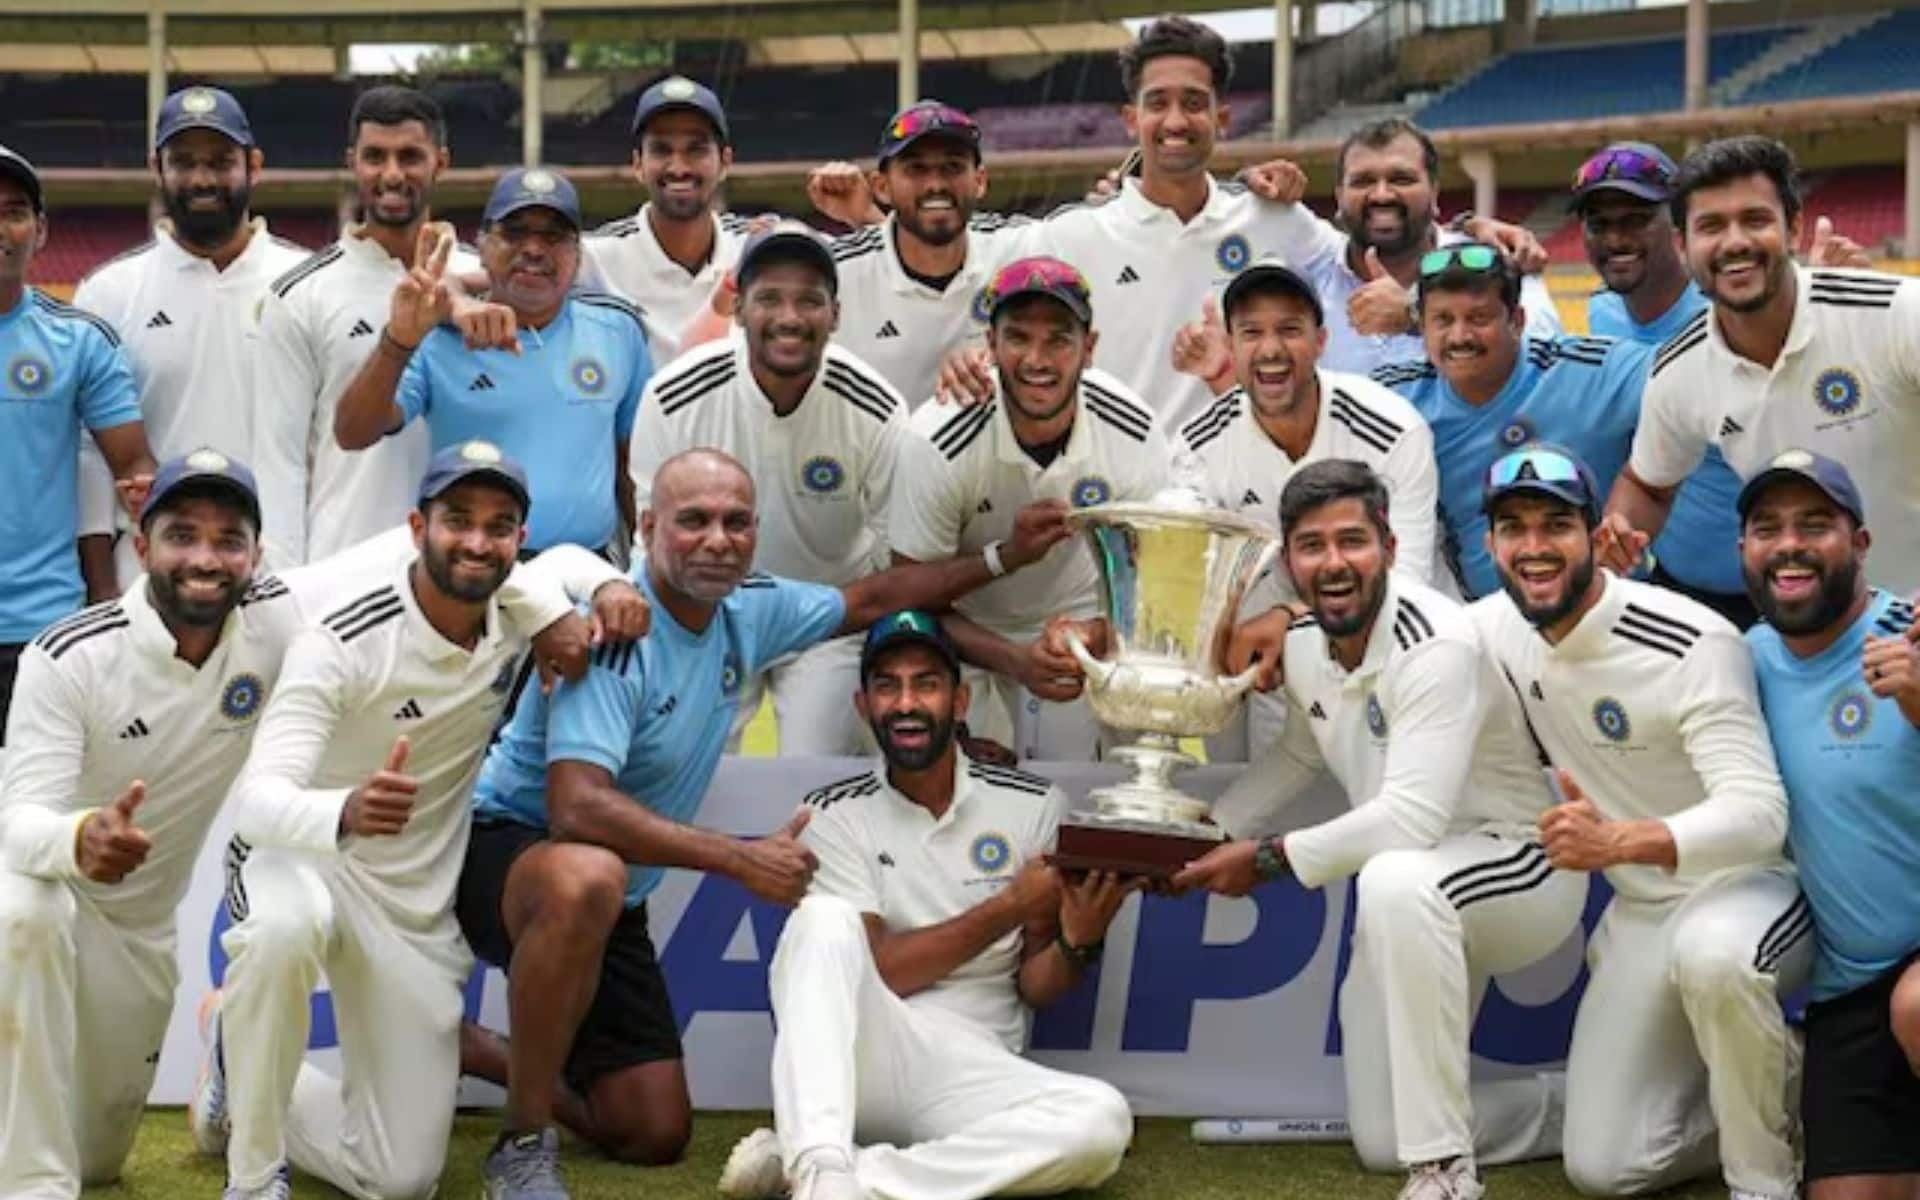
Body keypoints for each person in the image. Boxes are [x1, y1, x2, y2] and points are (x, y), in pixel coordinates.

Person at [453, 447, 1070, 1197]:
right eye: (694, 522)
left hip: (615, 890)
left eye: (737, 522)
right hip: (508, 853)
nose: (718, 539)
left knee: (652, 1132)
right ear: (647, 529)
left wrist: (1005, 555)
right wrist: (741, 859)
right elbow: (575, 807)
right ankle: (521, 1144)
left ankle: (480, 1052)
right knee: (590, 874)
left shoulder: (752, 607)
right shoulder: (614, 632)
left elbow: (875, 598)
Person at [0, 446, 601, 1200]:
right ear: (142, 543)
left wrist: (570, 602)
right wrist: (79, 835)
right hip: (62, 884)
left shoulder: (277, 610)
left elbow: (489, 552)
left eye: (229, 541)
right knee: (25, 907)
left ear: (259, 555)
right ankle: (199, 1184)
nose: (206, 559)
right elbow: (18, 824)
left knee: (396, 1178)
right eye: (183, 535)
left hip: (153, 923)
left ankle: (233, 1056)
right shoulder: (68, 656)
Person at [210, 442, 643, 1200]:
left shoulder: (513, 607)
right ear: (418, 525)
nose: (477, 542)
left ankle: (228, 1050)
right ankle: (252, 1178)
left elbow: (567, 561)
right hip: (298, 854)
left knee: (401, 1178)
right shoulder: (340, 638)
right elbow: (257, 800)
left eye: (499, 526)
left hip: (408, 904)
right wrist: (344, 808)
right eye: (457, 521)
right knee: (283, 932)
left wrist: (606, 585)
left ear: (517, 538)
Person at [1162, 461, 1578, 1200]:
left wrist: (1260, 858)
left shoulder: (1435, 639)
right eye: (1312, 547)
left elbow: (1411, 819)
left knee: (1390, 878)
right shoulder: (1300, 645)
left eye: (1352, 541)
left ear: (1388, 543)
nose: (1333, 563)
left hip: (1520, 864)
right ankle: (1577, 1115)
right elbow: (1299, 752)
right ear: (1288, 563)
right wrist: (1205, 828)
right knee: (1383, 1138)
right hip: (1415, 892)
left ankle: (1445, 1170)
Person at [1473, 442, 1808, 1200]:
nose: (1533, 548)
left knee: (1717, 956)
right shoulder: (1495, 626)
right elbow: (1404, 630)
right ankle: (1800, 1085)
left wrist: (1620, 840)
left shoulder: (1691, 638)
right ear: (1489, 546)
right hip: (1646, 914)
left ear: (1596, 538)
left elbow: (1758, 814)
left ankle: (1763, 1182)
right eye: (1513, 528)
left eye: (1555, 525)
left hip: (1752, 889)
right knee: (1606, 1170)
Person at [716, 611, 1135, 1200]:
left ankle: (843, 1173)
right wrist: (1007, 906)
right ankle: (822, 1173)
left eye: (926, 684)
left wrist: (1079, 938)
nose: (906, 703)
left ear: (960, 701)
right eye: (888, 686)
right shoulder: (831, 812)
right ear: (864, 707)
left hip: (974, 1069)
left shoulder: (1035, 805)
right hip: (868, 1058)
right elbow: (884, 967)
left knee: (1102, 1120)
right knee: (822, 919)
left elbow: (1037, 986)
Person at [629, 222, 907, 754]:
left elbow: (895, 547)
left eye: (809, 301)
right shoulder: (673, 394)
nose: (789, 318)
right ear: (737, 309)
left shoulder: (876, 406)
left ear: (836, 315)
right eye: (769, 299)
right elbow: (653, 536)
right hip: (711, 611)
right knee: (695, 770)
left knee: (816, 768)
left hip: (826, 615)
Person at [1605, 135, 1920, 597]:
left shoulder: (1896, 313)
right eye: (1711, 226)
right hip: (1814, 634)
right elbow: (1649, 484)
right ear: (1682, 244)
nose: (1735, 242)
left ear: (1794, 229)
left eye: (1754, 220)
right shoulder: (1679, 371)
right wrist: (1617, 534)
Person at [1736, 450, 1920, 1200]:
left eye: (1816, 524)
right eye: (1767, 527)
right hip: (1851, 990)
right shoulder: (1737, 660)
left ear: (1862, 543)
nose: (1789, 544)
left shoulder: (1909, 633)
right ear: (1743, 549)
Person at [892, 256, 1166, 759]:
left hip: (1078, 627)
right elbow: (909, 592)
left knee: (1072, 797)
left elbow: (1158, 579)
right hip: (964, 628)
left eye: (1058, 339)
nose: (1037, 360)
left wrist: (1093, 636)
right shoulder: (936, 437)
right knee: (972, 792)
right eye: (1018, 337)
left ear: (1089, 349)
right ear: (990, 345)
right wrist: (1015, 658)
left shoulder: (1133, 429)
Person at [1172, 259, 1439, 757]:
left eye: (1289, 330)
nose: (1270, 349)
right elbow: (1190, 579)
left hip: (1401, 637)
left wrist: (1292, 619)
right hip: (1271, 625)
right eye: (1251, 332)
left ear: (1321, 341)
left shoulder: (1390, 427)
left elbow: (1409, 581)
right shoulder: (1199, 444)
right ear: (1229, 346)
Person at [335, 166, 651, 556]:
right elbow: (352, 432)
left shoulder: (618, 330)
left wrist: (643, 570)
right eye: (514, 233)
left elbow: (633, 469)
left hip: (585, 574)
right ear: (481, 246)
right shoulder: (439, 336)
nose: (534, 249)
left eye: (553, 236)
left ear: (577, 253)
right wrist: (397, 341)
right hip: (474, 567)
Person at [73, 86, 311, 589]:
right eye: (184, 162)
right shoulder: (108, 293)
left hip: (283, 572)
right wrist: (100, 589)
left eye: (221, 161)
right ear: (157, 168)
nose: (202, 179)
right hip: (148, 579)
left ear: (255, 165)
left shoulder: (307, 282)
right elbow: (90, 457)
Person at [250, 86, 484, 568]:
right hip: (345, 569)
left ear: (440, 162)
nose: (392, 174)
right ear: (353, 162)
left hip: (468, 570)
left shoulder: (485, 288)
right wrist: (285, 588)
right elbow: (281, 461)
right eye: (375, 157)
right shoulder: (299, 294)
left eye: (410, 157)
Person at [1369, 245, 1647, 600]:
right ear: (1420, 326)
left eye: (1479, 318)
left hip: (1607, 606)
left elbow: (1688, 377)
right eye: (1442, 320)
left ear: (1517, 320)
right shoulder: (1394, 399)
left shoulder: (1594, 371)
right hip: (1486, 627)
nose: (1459, 336)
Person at [0, 144, 156, 751]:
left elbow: (134, 467)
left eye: (14, 212)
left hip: (44, 629)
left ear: (39, 231)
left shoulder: (78, 342)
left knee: (35, 822)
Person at [1572, 141, 1753, 626]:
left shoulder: (1728, 313)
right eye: (1600, 224)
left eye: (1635, 219)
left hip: (1774, 592)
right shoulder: (1602, 311)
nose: (1616, 238)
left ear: (1676, 224)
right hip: (1673, 587)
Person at [1236, 116, 1562, 377]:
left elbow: (1542, 357)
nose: (1381, 195)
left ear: (1435, 192)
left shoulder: (1492, 262)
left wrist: (1416, 318)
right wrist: (1247, 180)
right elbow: (1220, 210)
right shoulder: (1311, 267)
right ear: (1338, 197)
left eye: (1401, 179)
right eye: (1363, 181)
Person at [822, 101, 1034, 404]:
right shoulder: (835, 274)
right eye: (915, 169)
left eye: (953, 167)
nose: (935, 184)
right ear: (881, 186)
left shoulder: (1018, 248)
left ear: (980, 181)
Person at [579, 75, 753, 345]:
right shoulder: (595, 256)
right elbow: (500, 271)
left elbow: (836, 265)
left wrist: (845, 214)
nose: (679, 168)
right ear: (638, 164)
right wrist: (487, 308)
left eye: (696, 150)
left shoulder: (752, 247)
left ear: (725, 162)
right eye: (661, 150)